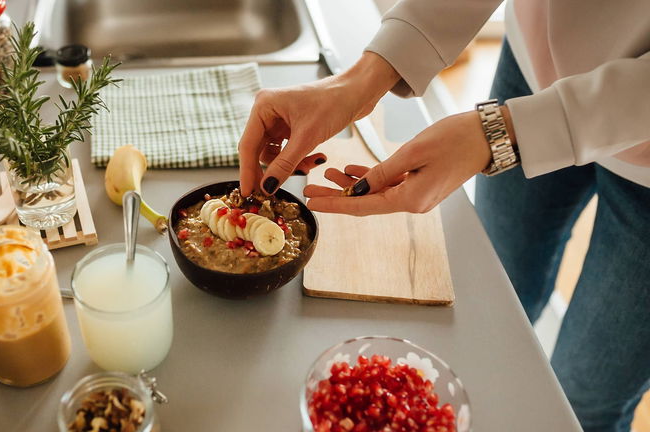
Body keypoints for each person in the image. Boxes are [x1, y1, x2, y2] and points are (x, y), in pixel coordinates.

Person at [237, 1, 650, 431]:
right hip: (535, 66)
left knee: (587, 395)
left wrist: (500, 132)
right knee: (499, 295)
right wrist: (365, 76)